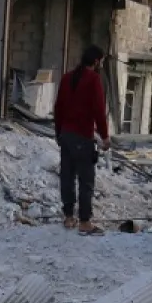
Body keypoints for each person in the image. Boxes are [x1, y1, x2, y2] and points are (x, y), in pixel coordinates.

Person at [53, 45, 111, 236]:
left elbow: (58, 107)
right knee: (86, 180)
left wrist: (58, 133)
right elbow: (98, 111)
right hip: (82, 136)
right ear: (96, 61)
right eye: (100, 62)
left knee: (67, 176)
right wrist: (105, 136)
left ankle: (69, 217)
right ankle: (85, 221)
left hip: (66, 135)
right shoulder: (93, 80)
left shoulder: (67, 77)